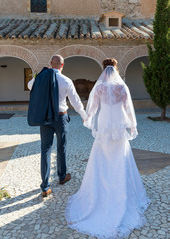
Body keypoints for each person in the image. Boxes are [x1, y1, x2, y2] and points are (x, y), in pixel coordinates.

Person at [65, 58, 150, 238]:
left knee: (102, 155)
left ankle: (100, 187)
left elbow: (94, 107)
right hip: (118, 125)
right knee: (121, 156)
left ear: (103, 69)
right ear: (116, 69)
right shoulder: (122, 88)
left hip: (104, 125)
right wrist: (132, 125)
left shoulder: (100, 87)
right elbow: (128, 108)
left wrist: (87, 118)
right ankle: (120, 187)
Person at [28, 55, 86, 197]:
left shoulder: (41, 77)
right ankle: (61, 177)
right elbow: (75, 101)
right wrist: (84, 116)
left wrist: (40, 75)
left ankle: (45, 187)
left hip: (46, 118)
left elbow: (30, 86)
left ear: (50, 63)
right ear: (62, 65)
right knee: (62, 147)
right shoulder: (66, 80)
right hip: (61, 117)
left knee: (45, 150)